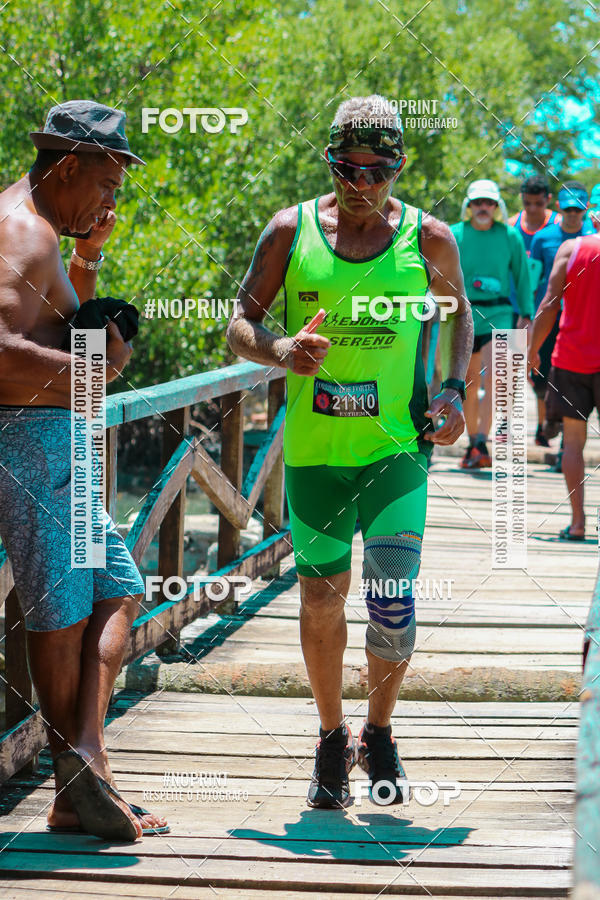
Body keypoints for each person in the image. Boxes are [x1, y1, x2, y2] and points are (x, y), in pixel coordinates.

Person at [227, 95, 473, 808]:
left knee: (392, 600)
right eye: (347, 168)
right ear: (330, 161)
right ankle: (332, 738)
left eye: (377, 170)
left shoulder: (429, 239)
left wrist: (454, 389)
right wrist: (279, 348)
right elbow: (238, 322)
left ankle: (380, 730)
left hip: (396, 451)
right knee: (319, 601)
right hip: (315, 456)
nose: (361, 184)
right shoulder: (289, 230)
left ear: (399, 165)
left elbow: (460, 316)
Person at [0, 101, 167, 840]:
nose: (110, 201)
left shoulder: (44, 231)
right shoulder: (16, 231)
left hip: (60, 440)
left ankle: (85, 766)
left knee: (118, 590)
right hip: (30, 444)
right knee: (61, 610)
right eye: (105, 184)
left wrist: (90, 260)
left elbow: (46, 318)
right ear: (67, 166)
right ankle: (75, 782)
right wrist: (90, 376)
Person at [528, 199, 600, 540]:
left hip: (571, 360)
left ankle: (578, 523)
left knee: (572, 445)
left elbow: (550, 302)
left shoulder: (571, 249)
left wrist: (531, 350)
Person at [451, 180, 532, 469]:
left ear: (496, 206)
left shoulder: (510, 236)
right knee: (469, 383)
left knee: (496, 381)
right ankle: (474, 444)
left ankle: (483, 441)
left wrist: (527, 314)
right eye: (477, 202)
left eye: (489, 202)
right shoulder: (454, 234)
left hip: (499, 313)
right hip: (463, 314)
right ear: (469, 206)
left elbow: (523, 277)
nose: (483, 207)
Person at [530, 181, 594, 455]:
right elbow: (534, 281)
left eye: (577, 210)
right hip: (550, 317)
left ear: (586, 209)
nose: (572, 215)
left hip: (582, 321)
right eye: (568, 209)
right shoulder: (543, 239)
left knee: (575, 380)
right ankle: (546, 422)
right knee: (542, 377)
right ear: (559, 207)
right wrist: (528, 317)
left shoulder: (592, 238)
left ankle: (566, 448)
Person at [508, 175, 560, 445]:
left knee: (543, 372)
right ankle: (506, 427)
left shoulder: (558, 226)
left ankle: (542, 428)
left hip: (547, 313)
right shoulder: (511, 226)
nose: (532, 209)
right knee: (510, 371)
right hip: (516, 309)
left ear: (548, 200)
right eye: (527, 203)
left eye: (538, 204)